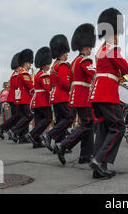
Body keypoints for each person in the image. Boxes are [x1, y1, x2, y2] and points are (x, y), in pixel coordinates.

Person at [89, 8, 128, 179]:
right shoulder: (111, 48)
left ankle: (99, 168)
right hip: (106, 93)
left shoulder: (101, 50)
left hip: (97, 93)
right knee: (118, 127)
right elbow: (125, 67)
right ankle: (99, 159)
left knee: (103, 128)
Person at [54, 24, 96, 166]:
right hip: (83, 96)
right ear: (85, 46)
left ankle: (85, 155)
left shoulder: (74, 62)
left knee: (88, 125)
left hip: (76, 96)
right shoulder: (85, 60)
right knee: (87, 123)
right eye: (90, 46)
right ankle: (64, 145)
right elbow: (93, 75)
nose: (91, 49)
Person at [42, 35, 72, 151]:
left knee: (60, 120)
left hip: (55, 96)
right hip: (62, 96)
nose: (67, 55)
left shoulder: (54, 65)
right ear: (63, 53)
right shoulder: (62, 65)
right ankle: (49, 135)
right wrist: (71, 88)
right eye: (66, 53)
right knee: (68, 118)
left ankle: (59, 145)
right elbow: (65, 83)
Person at [26, 47, 52, 148]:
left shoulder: (38, 74)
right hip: (43, 101)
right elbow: (47, 88)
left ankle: (36, 142)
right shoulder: (44, 75)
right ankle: (33, 134)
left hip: (37, 101)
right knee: (48, 118)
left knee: (38, 120)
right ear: (45, 64)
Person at [8, 49, 34, 143]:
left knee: (25, 117)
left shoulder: (21, 73)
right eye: (29, 63)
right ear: (26, 63)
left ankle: (22, 136)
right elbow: (30, 87)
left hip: (22, 99)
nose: (30, 65)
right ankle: (14, 130)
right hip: (25, 99)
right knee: (28, 116)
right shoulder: (24, 73)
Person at [0, 53, 20, 140]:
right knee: (17, 116)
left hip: (14, 97)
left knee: (16, 116)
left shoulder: (16, 74)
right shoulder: (16, 75)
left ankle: (9, 131)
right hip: (15, 98)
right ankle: (3, 128)